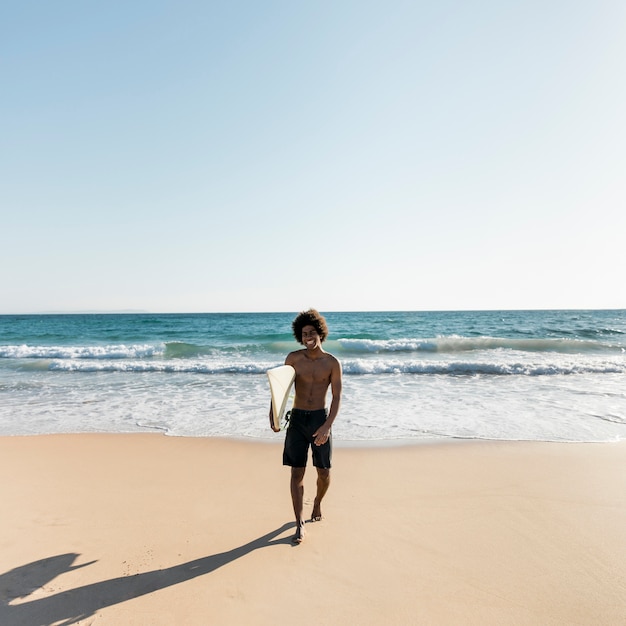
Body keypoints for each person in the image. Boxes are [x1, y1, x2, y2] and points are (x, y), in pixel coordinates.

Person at [269, 309, 342, 544]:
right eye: (303, 334)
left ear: (320, 333)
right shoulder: (293, 359)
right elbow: (280, 389)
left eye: (311, 333)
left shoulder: (332, 363)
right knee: (296, 471)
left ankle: (318, 501)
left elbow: (337, 397)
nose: (307, 337)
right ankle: (299, 523)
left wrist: (327, 427)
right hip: (298, 420)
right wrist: (274, 413)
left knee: (324, 471)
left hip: (320, 420)